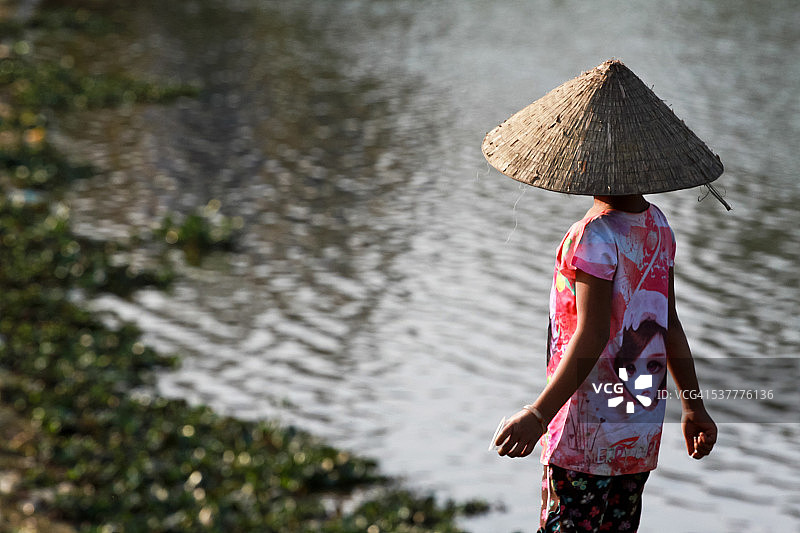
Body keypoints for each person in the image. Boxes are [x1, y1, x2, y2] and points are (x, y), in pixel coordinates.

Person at [481, 60, 722, 532]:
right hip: (635, 430)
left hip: (584, 432)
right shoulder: (658, 227)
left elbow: (592, 335)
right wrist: (693, 405)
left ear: (584, 163)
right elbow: (668, 322)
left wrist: (537, 414)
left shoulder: (592, 237)